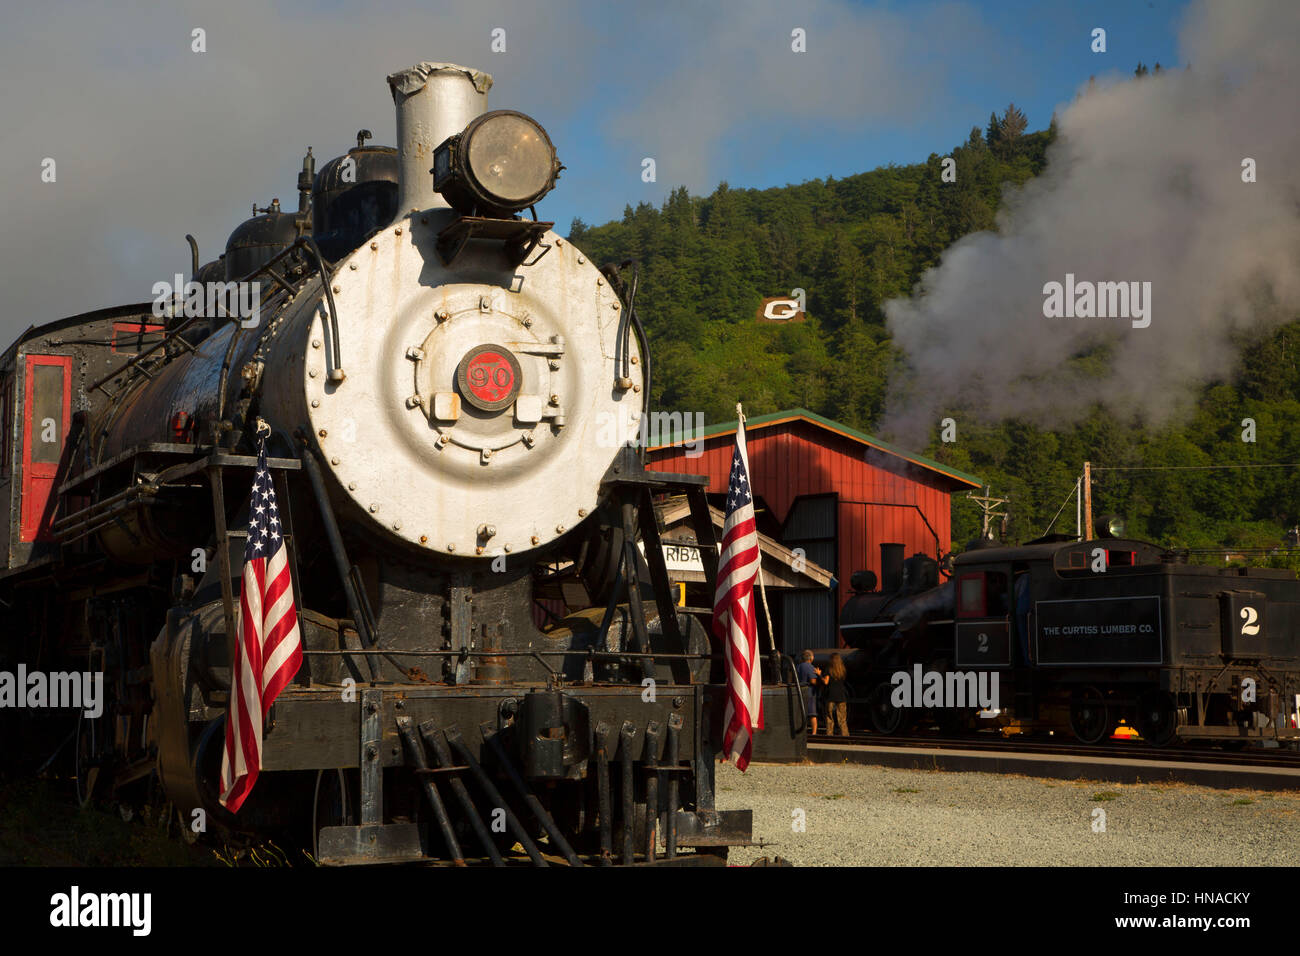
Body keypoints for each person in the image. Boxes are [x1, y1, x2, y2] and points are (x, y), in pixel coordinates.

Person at [821, 653, 849, 736]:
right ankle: (845, 735)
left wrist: (819, 675)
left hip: (830, 696)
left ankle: (829, 734)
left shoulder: (828, 670)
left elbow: (826, 682)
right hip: (841, 696)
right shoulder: (843, 670)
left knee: (829, 717)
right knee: (842, 719)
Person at [796, 649, 821, 736]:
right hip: (809, 692)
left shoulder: (798, 666)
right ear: (811, 658)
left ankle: (802, 732)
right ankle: (814, 733)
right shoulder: (811, 667)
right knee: (812, 714)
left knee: (801, 713)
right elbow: (813, 681)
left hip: (799, 691)